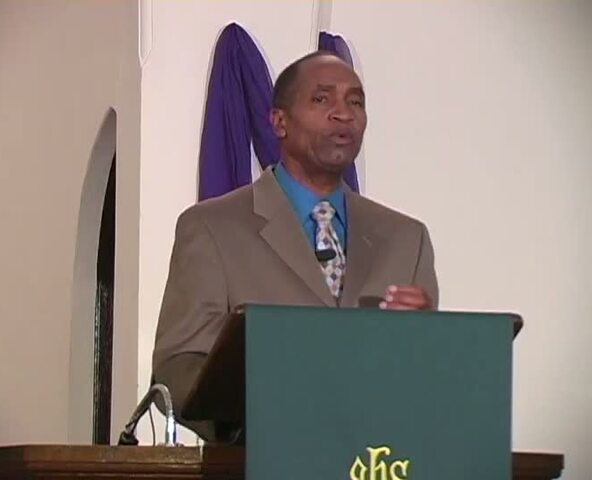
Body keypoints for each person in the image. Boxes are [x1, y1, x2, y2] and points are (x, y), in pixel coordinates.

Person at [152, 51, 438, 441]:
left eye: (356, 102)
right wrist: (252, 417)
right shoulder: (212, 228)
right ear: (279, 122)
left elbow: (426, 377)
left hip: (378, 458)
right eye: (322, 99)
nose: (343, 114)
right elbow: (177, 365)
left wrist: (427, 340)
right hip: (261, 456)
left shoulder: (407, 238)